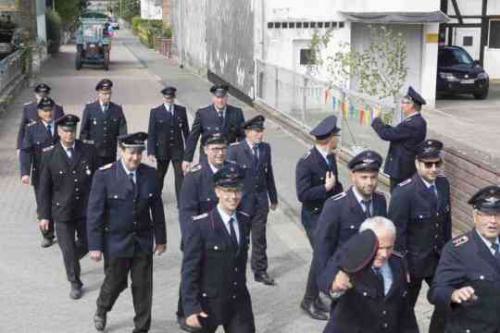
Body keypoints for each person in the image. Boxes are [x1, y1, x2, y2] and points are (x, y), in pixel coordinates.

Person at [87, 132, 167, 332]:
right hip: (116, 242)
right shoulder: (104, 176)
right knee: (115, 282)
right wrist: (95, 246)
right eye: (131, 152)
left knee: (143, 288)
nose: (135, 157)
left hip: (142, 241)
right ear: (121, 151)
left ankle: (141, 328)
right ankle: (102, 308)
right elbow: (95, 213)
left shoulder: (150, 174)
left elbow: (156, 208)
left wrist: (161, 239)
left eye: (140, 153)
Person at [182, 164, 255, 333]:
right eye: (227, 191)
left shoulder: (244, 221)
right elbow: (189, 270)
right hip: (208, 304)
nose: (233, 196)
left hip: (238, 302)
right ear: (217, 192)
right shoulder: (200, 226)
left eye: (237, 191)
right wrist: (191, 307)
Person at [389, 139, 451, 332]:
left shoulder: (443, 184)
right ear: (417, 163)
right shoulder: (404, 192)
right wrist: (402, 266)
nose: (433, 169)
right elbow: (397, 234)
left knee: (448, 304)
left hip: (438, 260)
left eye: (437, 164)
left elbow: (446, 223)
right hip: (413, 263)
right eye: (428, 164)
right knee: (404, 310)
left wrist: (450, 256)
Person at [177, 132, 236, 332]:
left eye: (223, 149)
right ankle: (185, 310)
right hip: (199, 237)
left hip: (225, 237)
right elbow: (186, 212)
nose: (220, 153)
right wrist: (191, 239)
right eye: (215, 149)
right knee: (192, 273)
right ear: (205, 150)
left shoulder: (232, 171)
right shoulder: (195, 176)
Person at [318, 217, 419, 333]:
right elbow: (324, 280)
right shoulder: (347, 260)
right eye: (379, 248)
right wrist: (335, 285)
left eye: (389, 247)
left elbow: (405, 310)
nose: (384, 254)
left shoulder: (398, 263)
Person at [38, 114, 98, 299]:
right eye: (65, 131)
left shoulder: (88, 150)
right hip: (62, 210)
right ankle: (75, 282)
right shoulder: (49, 155)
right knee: (68, 248)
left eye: (72, 130)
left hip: (85, 209)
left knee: (89, 243)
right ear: (59, 132)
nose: (69, 134)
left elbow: (98, 180)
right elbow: (44, 188)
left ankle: (70, 259)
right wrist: (44, 215)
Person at [428, 185, 500, 333]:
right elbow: (436, 291)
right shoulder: (457, 250)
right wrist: (454, 294)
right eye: (486, 214)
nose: (493, 221)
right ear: (475, 216)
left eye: (498, 214)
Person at [295, 115, 343, 320]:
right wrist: (325, 188)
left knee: (325, 256)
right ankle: (309, 300)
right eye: (336, 136)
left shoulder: (330, 157)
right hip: (314, 218)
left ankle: (318, 296)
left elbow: (337, 185)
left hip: (329, 215)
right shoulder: (306, 162)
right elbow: (302, 195)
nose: (338, 139)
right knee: (320, 257)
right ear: (329, 138)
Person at [314, 150, 387, 274]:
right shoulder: (335, 205)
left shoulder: (380, 200)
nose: (369, 183)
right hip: (345, 274)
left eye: (373, 177)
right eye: (364, 177)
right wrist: (327, 281)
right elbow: (323, 248)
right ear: (353, 177)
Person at [227, 115, 278, 286]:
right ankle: (235, 270)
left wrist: (273, 197)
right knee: (241, 238)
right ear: (247, 132)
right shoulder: (235, 150)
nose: (260, 134)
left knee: (260, 237)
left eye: (261, 131)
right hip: (242, 203)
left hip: (260, 201)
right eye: (257, 131)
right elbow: (230, 179)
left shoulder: (266, 149)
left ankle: (260, 270)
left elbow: (268, 173)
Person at [19, 97, 59, 247]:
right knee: (44, 204)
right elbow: (26, 151)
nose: (48, 113)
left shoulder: (62, 126)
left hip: (60, 174)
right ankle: (48, 235)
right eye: (45, 111)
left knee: (61, 203)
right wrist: (24, 172)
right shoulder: (31, 129)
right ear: (39, 112)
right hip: (41, 175)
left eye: (50, 110)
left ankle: (63, 231)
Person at [372, 86, 427, 191]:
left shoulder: (412, 124)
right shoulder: (418, 121)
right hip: (407, 168)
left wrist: (376, 119)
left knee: (398, 198)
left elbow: (386, 134)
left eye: (404, 103)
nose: (402, 106)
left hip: (402, 170)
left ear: (411, 105)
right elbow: (396, 133)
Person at [182, 84, 245, 172]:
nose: (220, 101)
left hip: (227, 157)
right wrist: (187, 159)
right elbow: (193, 137)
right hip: (207, 157)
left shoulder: (236, 113)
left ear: (227, 98)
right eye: (218, 98)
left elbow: (243, 136)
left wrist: (240, 152)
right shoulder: (203, 114)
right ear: (213, 98)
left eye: (223, 98)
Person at [147, 86, 190, 203]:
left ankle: (181, 202)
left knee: (180, 176)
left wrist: (188, 154)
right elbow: (151, 134)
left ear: (174, 98)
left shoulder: (181, 111)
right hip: (162, 150)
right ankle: (155, 198)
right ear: (163, 98)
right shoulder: (155, 112)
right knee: (160, 175)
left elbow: (186, 132)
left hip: (177, 149)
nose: (169, 100)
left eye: (171, 98)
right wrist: (151, 152)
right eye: (167, 98)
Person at [80, 78, 127, 167]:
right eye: (105, 94)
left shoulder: (117, 109)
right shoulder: (90, 109)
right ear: (99, 94)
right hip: (94, 152)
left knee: (109, 177)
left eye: (109, 93)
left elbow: (122, 131)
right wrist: (83, 151)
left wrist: (123, 148)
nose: (107, 96)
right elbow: (84, 132)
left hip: (110, 152)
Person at [16, 83, 64, 150]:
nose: (43, 98)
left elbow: (63, 128)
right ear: (35, 95)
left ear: (48, 94)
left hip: (54, 146)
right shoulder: (28, 108)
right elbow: (22, 129)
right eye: (40, 96)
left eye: (45, 95)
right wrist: (19, 147)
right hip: (35, 147)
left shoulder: (57, 108)